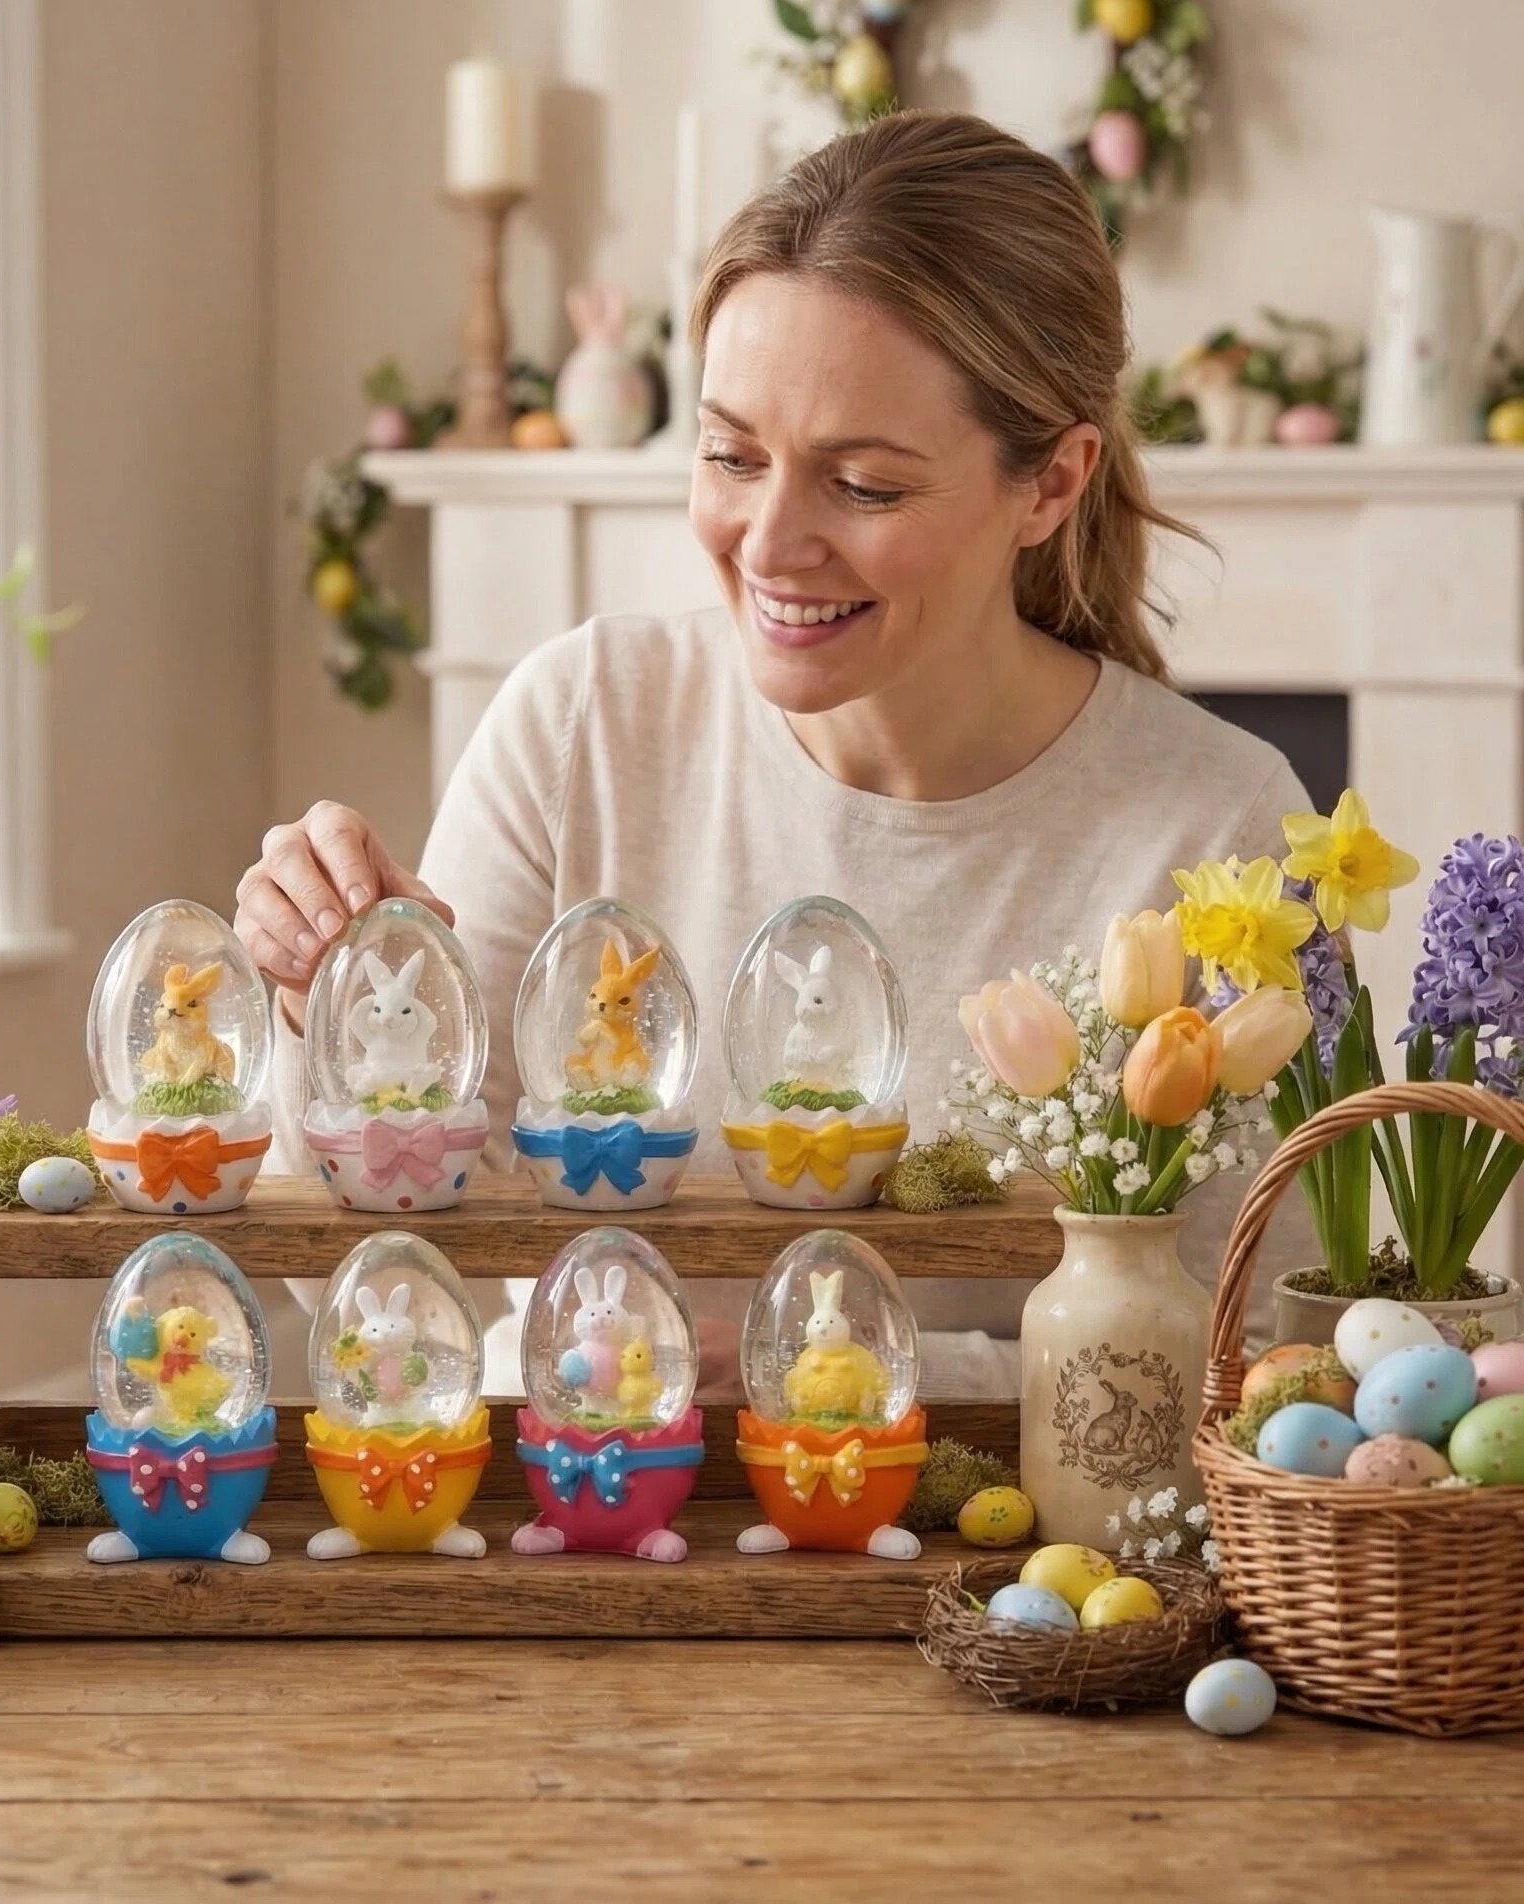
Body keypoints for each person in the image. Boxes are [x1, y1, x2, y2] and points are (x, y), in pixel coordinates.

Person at [237, 111, 1311, 1395]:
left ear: (1051, 483)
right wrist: (330, 1004)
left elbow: (1272, 1362)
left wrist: (816, 1367)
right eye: (730, 454)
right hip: (592, 1526)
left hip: (1019, 1570)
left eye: (862, 484)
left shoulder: (1213, 832)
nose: (766, 540)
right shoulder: (582, 719)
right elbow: (385, 1286)